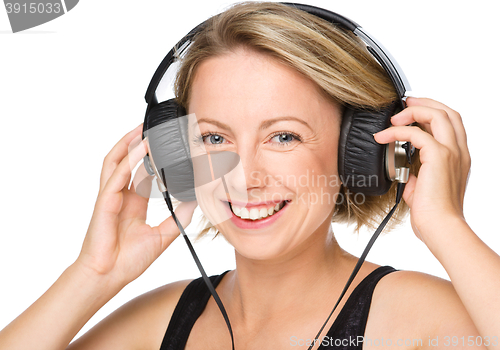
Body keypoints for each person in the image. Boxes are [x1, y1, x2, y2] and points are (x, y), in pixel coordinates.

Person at [0, 2, 499, 350]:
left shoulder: (417, 319)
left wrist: (447, 227)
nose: (243, 179)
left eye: (283, 137)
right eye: (215, 139)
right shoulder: (163, 323)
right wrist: (92, 277)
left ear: (362, 152)